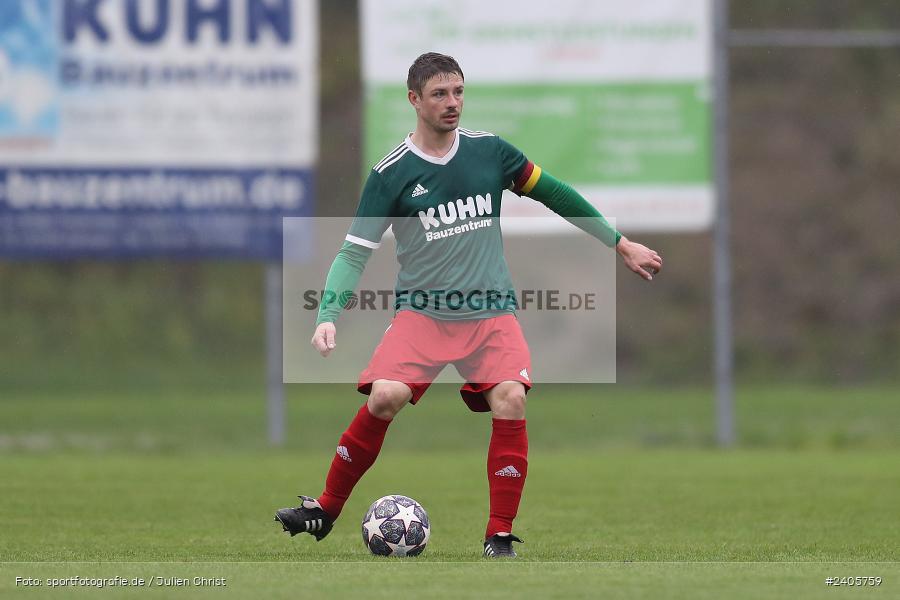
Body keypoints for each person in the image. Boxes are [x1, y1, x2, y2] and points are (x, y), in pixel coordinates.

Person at [275, 52, 662, 558]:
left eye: (458, 91)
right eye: (439, 94)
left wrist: (620, 242)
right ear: (414, 100)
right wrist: (327, 314)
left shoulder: (490, 153)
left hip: (490, 313)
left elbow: (556, 194)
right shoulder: (391, 174)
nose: (452, 103)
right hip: (423, 314)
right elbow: (354, 251)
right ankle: (325, 509)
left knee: (511, 398)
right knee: (385, 396)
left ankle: (498, 536)